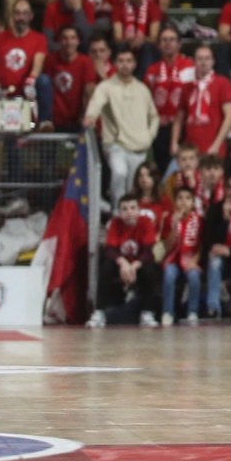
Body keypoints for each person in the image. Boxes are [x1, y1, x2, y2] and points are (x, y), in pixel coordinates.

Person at [84, 46, 159, 202]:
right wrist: (90, 116)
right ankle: (116, 214)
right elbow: (96, 103)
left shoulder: (142, 89)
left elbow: (154, 116)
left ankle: (129, 218)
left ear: (134, 64)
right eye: (121, 61)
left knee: (134, 185)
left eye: (129, 61)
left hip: (139, 146)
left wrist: (148, 136)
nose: (125, 64)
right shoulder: (106, 87)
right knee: (119, 173)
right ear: (115, 64)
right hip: (115, 144)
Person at [89, 195, 162, 328]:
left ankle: (147, 313)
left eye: (133, 208)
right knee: (106, 268)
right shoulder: (115, 224)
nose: (129, 212)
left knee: (149, 270)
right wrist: (123, 264)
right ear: (120, 212)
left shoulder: (146, 223)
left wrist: (133, 267)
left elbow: (148, 252)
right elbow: (110, 250)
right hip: (121, 265)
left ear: (139, 210)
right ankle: (99, 312)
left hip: (138, 265)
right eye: (125, 209)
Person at [159, 185, 205, 325]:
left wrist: (195, 260)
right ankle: (168, 312)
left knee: (194, 276)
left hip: (190, 258)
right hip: (172, 259)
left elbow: (203, 244)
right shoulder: (168, 219)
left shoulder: (199, 220)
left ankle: (192, 311)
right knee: (169, 275)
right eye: (180, 198)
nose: (183, 202)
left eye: (187, 198)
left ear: (193, 203)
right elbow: (166, 246)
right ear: (175, 202)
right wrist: (174, 226)